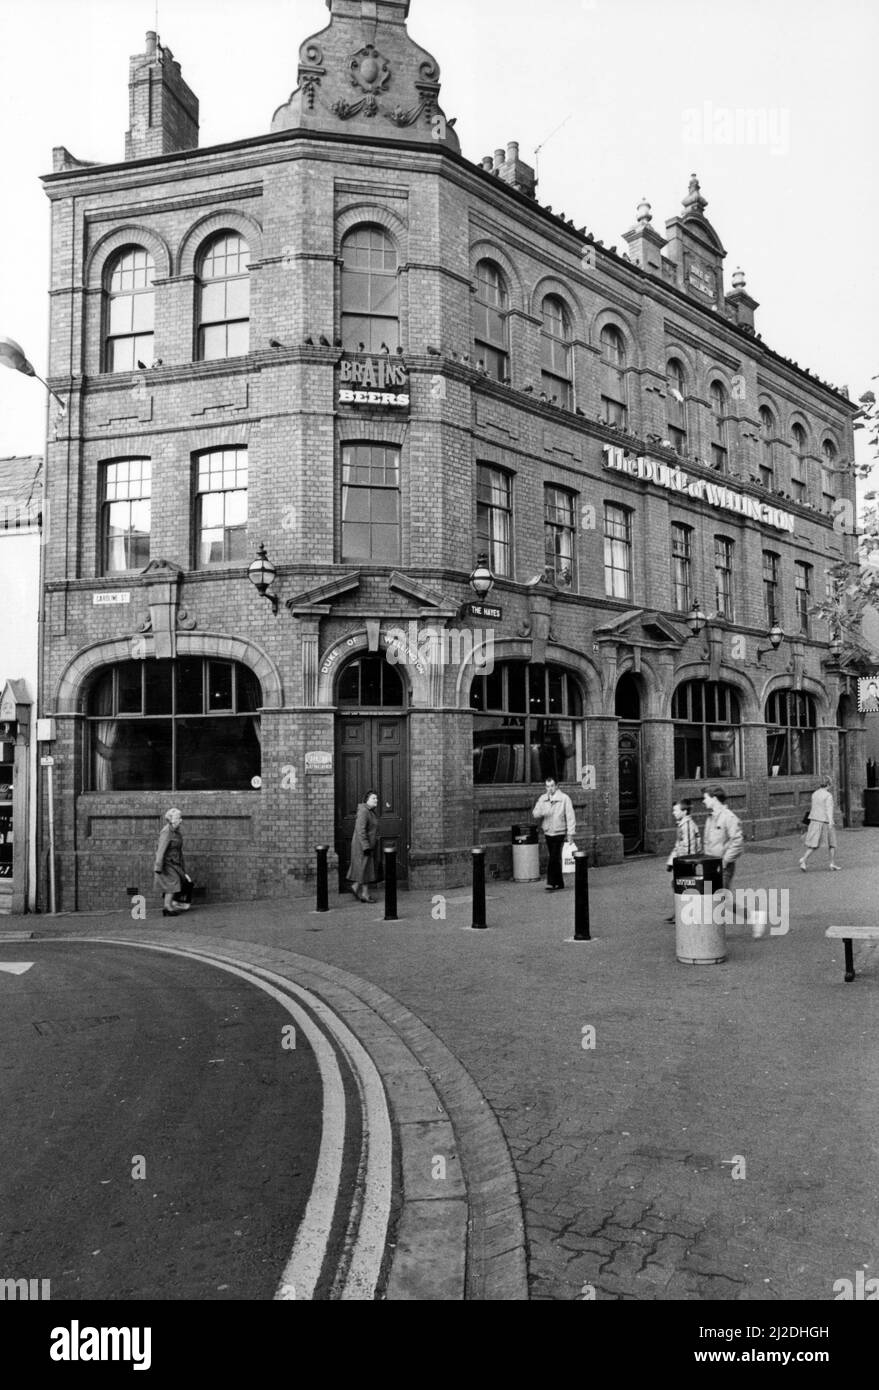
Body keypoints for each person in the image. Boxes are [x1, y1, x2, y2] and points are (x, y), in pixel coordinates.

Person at [532, 777, 576, 891]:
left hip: (559, 831)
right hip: (548, 831)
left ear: (557, 786)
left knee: (553, 857)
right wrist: (542, 812)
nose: (550, 789)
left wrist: (570, 833)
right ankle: (559, 883)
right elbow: (535, 813)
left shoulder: (564, 798)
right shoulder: (543, 798)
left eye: (551, 786)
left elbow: (570, 816)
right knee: (554, 857)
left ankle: (551, 882)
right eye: (547, 786)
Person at [664, 799, 702, 922]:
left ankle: (687, 914)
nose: (673, 813)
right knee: (678, 886)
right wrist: (671, 862)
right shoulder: (682, 824)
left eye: (676, 810)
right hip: (681, 861)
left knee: (685, 887)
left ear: (684, 811)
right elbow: (678, 845)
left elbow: (690, 848)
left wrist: (686, 863)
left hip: (686, 863)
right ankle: (681, 913)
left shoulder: (687, 826)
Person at [702, 787, 743, 890]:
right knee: (709, 897)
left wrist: (725, 861)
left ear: (714, 799)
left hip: (723, 868)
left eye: (706, 798)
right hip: (709, 865)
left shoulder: (729, 817)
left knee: (720, 898)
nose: (703, 801)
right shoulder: (710, 817)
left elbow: (737, 842)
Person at [154, 808, 190, 918]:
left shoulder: (175, 832)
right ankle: (167, 907)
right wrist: (158, 866)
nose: (181, 820)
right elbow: (161, 849)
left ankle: (169, 906)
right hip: (167, 863)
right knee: (173, 882)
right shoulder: (167, 831)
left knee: (175, 882)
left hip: (174, 863)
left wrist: (182, 867)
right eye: (179, 818)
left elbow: (178, 851)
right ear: (173, 820)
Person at [800, 776, 839, 871]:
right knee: (832, 843)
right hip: (824, 822)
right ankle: (831, 863)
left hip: (814, 821)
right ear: (829, 784)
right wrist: (831, 822)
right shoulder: (828, 795)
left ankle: (804, 860)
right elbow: (829, 810)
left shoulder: (815, 794)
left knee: (814, 844)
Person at [347, 791, 381, 903]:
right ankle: (363, 893)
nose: (376, 800)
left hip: (366, 845)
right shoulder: (364, 812)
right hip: (362, 846)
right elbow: (360, 830)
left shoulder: (370, 812)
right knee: (365, 868)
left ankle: (357, 888)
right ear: (366, 800)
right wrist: (366, 846)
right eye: (373, 798)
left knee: (366, 869)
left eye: (376, 798)